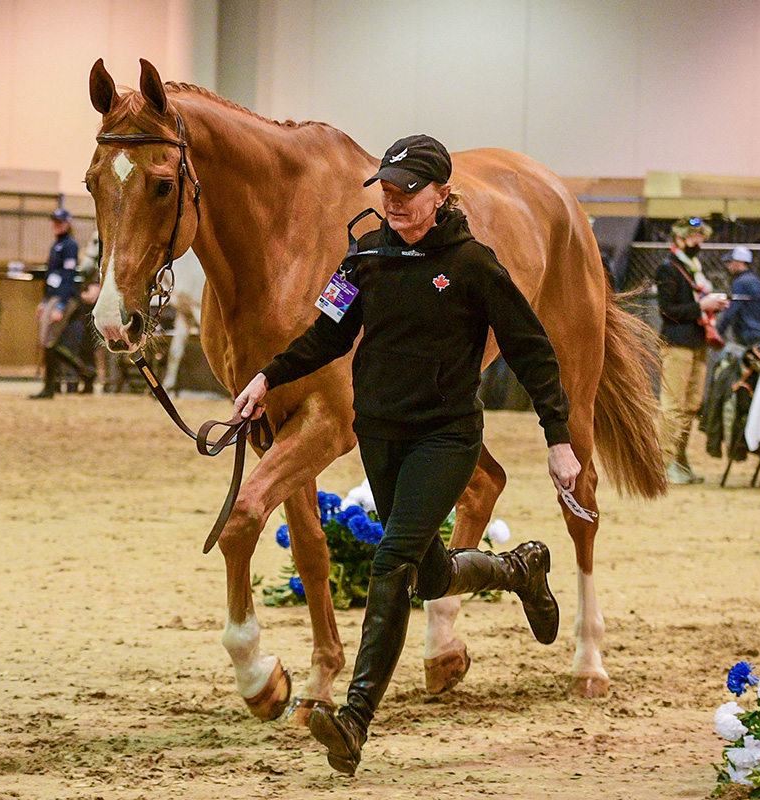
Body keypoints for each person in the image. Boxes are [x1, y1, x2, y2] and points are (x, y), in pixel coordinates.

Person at [232, 134, 579, 776]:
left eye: (407, 191)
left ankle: (355, 717)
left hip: (445, 438)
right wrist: (267, 378)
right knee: (431, 573)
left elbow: (531, 349)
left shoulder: (474, 265)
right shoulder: (362, 258)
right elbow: (326, 336)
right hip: (382, 437)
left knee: (392, 562)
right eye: (386, 189)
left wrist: (557, 437)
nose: (392, 201)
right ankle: (519, 571)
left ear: (442, 194)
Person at [655, 217, 729, 484]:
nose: (699, 242)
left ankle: (679, 460)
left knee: (690, 407)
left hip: (697, 344)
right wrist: (701, 306)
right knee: (673, 407)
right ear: (680, 238)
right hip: (677, 345)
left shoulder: (695, 269)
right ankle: (662, 464)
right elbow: (667, 311)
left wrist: (711, 306)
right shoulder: (668, 269)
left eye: (701, 236)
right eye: (695, 236)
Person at [31, 208, 93, 398]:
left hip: (64, 297)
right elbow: (51, 276)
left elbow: (67, 276)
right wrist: (45, 301)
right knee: (49, 343)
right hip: (53, 296)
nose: (56, 225)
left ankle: (50, 387)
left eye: (60, 221)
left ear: (67, 223)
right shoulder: (56, 245)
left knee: (50, 342)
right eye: (54, 221)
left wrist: (60, 305)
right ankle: (86, 373)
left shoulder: (70, 246)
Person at [715, 245, 760, 347]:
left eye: (730, 262)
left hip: (745, 330)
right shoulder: (756, 280)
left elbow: (732, 309)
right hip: (759, 329)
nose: (728, 266)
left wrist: (719, 330)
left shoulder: (740, 282)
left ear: (739, 261)